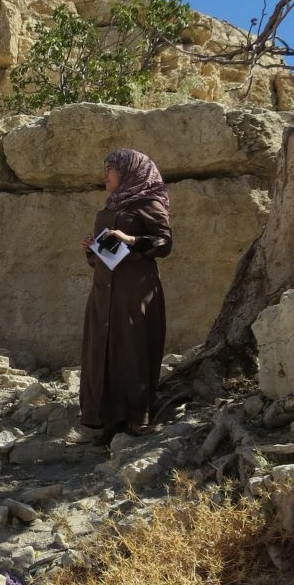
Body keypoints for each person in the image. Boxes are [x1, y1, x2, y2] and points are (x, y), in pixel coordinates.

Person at [80, 148, 171, 445]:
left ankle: (135, 419)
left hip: (134, 294)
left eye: (111, 169)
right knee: (103, 353)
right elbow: (106, 259)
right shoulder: (108, 209)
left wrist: (129, 238)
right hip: (104, 296)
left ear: (130, 171)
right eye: (105, 169)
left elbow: (164, 243)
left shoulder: (148, 203)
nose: (105, 175)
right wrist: (93, 251)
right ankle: (106, 420)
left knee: (131, 353)